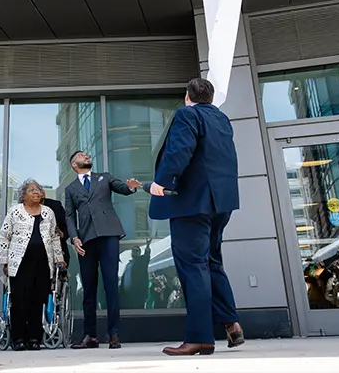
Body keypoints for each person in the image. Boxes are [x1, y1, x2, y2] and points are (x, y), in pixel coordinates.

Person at [148, 78, 243, 356]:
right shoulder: (222, 119)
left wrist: (161, 182)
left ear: (187, 96)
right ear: (210, 98)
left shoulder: (186, 114)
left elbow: (179, 151)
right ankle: (231, 322)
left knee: (193, 266)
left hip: (192, 203)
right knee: (212, 261)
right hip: (221, 203)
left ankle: (201, 338)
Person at [64, 151, 141, 350]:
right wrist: (74, 238)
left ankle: (114, 333)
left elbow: (122, 188)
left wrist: (130, 188)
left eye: (87, 154)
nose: (87, 155)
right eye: (82, 155)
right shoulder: (70, 188)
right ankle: (90, 336)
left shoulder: (104, 177)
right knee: (89, 289)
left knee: (110, 285)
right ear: (74, 164)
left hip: (109, 236)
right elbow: (70, 216)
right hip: (86, 240)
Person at [0, 180, 65, 351]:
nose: (36, 192)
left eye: (39, 190)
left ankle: (35, 338)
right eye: (32, 190)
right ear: (23, 195)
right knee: (19, 300)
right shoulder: (15, 211)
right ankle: (18, 338)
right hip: (20, 263)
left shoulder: (48, 212)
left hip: (43, 262)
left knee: (38, 300)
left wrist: (59, 258)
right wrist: (4, 261)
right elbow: (4, 236)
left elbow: (54, 237)